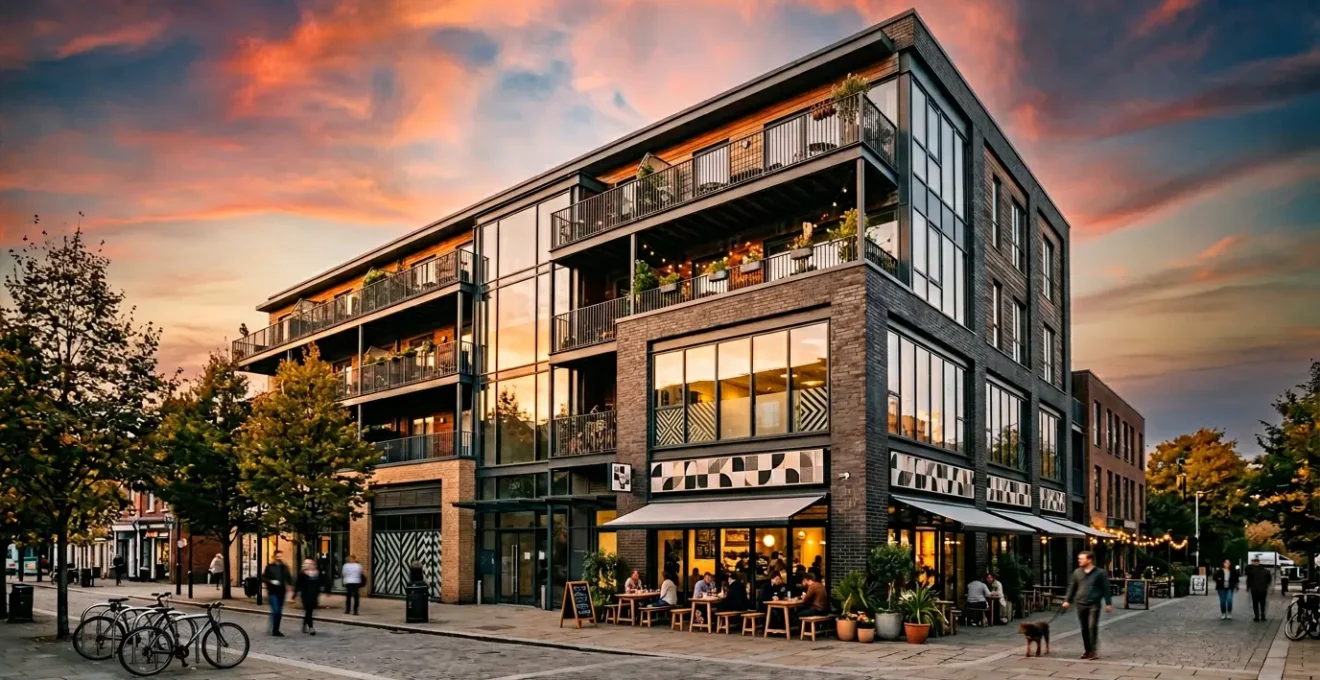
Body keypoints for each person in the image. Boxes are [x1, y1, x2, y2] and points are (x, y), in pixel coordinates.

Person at [1062, 551, 1112, 660]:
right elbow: (1072, 587)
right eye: (1079, 558)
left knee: (1092, 626)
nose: (1079, 560)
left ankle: (1093, 651)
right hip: (1080, 603)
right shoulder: (1077, 572)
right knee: (1084, 628)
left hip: (1094, 603)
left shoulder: (1100, 573)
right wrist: (1067, 600)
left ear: (1089, 560)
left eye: (1082, 558)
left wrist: (1108, 603)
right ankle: (1087, 650)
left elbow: (1106, 588)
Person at [262, 550, 294, 637]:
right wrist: (271, 581)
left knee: (279, 612)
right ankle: (274, 629)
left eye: (280, 556)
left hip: (282, 592)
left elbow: (289, 578)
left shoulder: (285, 567)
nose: (279, 558)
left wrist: (291, 587)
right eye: (278, 556)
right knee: (276, 610)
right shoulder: (270, 567)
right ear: (274, 557)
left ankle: (276, 629)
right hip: (272, 592)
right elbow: (263, 577)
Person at [293, 558, 321, 635]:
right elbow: (298, 585)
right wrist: (295, 594)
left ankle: (304, 624)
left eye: (310, 563)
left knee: (309, 611)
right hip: (305, 595)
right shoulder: (302, 574)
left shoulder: (316, 573)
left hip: (314, 595)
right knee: (308, 610)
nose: (308, 565)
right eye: (306, 563)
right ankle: (311, 628)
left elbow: (320, 583)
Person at [1245, 557, 1272, 622]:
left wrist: (1248, 587)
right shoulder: (1266, 571)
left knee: (1255, 603)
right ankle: (1262, 616)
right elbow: (1269, 580)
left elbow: (1248, 580)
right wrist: (1266, 586)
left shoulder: (1251, 571)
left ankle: (1257, 616)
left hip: (1254, 589)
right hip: (1263, 589)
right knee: (1262, 603)